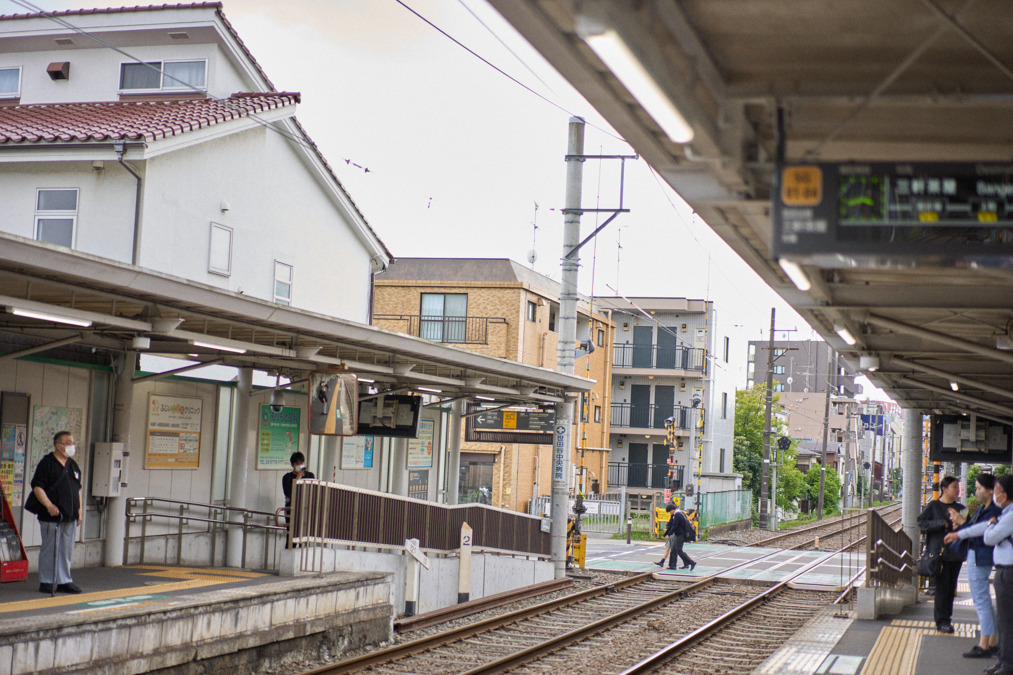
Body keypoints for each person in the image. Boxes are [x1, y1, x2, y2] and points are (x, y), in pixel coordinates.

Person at [944, 473, 1002, 658]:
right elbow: (975, 528)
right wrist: (962, 524)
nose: (975, 492)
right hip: (979, 556)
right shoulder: (985, 509)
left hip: (980, 556)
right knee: (983, 599)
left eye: (978, 488)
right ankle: (992, 641)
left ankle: (984, 644)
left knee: (981, 600)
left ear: (990, 491)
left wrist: (962, 525)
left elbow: (982, 533)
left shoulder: (992, 511)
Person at [30, 430, 83, 594]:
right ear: (58, 445)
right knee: (50, 548)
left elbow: (77, 489)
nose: (72, 446)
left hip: (70, 515)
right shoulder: (47, 463)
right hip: (52, 515)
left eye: (73, 443)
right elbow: (37, 487)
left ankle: (64, 580)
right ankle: (46, 581)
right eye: (68, 443)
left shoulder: (72, 464)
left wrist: (79, 510)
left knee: (66, 549)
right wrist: (48, 505)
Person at [918, 475, 964, 633]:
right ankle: (942, 620)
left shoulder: (961, 508)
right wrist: (941, 524)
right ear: (944, 489)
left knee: (950, 588)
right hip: (938, 554)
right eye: (954, 487)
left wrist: (958, 523)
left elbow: (967, 529)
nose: (957, 490)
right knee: (942, 588)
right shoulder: (933, 507)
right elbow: (921, 523)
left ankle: (946, 619)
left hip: (955, 554)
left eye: (958, 487)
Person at [982, 474, 1013, 675]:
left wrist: (990, 524)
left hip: (1009, 573)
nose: (996, 495)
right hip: (1004, 571)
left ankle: (1007, 665)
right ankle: (1002, 661)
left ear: (1006, 494)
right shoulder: (1006, 513)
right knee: (1004, 620)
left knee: (1007, 621)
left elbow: (990, 538)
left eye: (998, 491)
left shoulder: (1010, 516)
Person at [281, 452, 315, 523]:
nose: (300, 465)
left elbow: (313, 491)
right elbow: (288, 493)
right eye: (297, 464)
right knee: (291, 531)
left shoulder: (310, 475)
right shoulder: (287, 477)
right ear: (293, 465)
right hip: (292, 509)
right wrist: (297, 479)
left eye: (301, 463)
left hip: (306, 508)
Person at [664, 505, 696, 572]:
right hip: (678, 534)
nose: (670, 513)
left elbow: (675, 526)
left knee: (678, 550)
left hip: (680, 535)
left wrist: (669, 534)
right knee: (673, 550)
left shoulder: (678, 515)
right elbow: (672, 525)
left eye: (670, 511)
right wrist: (667, 533)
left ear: (672, 509)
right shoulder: (678, 514)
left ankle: (691, 562)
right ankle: (672, 565)